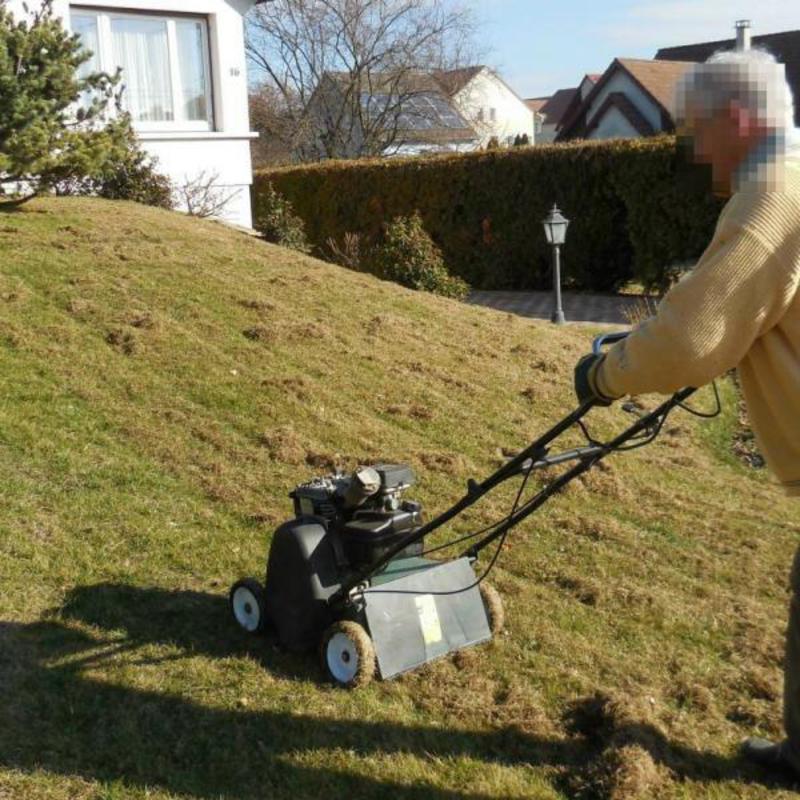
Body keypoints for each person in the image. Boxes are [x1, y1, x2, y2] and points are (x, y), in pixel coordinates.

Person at [574, 48, 800, 775]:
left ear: (737, 119)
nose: (699, 156)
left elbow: (695, 336)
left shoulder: (771, 197)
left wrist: (607, 375)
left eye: (699, 134)